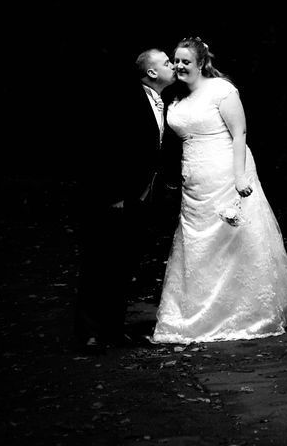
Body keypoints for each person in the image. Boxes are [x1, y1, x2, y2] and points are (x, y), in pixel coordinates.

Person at [152, 36, 287, 344]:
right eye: (176, 60)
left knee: (234, 240)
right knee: (198, 245)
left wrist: (240, 177)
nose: (180, 66)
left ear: (200, 63)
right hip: (194, 181)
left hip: (225, 172)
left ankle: (247, 313)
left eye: (186, 61)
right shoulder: (177, 98)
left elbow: (240, 134)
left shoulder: (221, 90)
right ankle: (196, 315)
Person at [73, 46, 178, 350]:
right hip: (116, 197)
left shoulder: (163, 101)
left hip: (142, 197)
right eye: (166, 62)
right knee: (100, 263)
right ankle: (89, 333)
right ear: (151, 72)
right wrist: (115, 194)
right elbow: (107, 146)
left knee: (124, 264)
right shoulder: (126, 98)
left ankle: (114, 330)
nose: (173, 66)